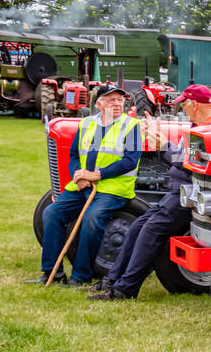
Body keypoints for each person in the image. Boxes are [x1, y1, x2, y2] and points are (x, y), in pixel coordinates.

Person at [90, 85, 211, 300]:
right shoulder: (198, 127)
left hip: (190, 194)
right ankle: (112, 280)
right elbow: (181, 161)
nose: (182, 108)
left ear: (194, 104)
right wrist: (159, 143)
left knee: (150, 230)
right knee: (136, 228)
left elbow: (193, 165)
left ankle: (126, 289)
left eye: (184, 104)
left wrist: (164, 146)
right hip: (178, 191)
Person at [31, 85, 143, 285]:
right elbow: (74, 155)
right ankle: (52, 274)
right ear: (99, 104)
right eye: (111, 100)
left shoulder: (131, 126)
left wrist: (95, 175)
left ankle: (80, 277)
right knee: (51, 213)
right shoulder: (86, 124)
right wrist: (78, 175)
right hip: (83, 186)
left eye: (120, 100)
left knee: (92, 219)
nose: (117, 103)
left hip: (112, 188)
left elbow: (129, 162)